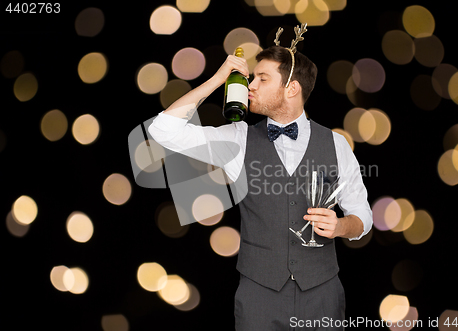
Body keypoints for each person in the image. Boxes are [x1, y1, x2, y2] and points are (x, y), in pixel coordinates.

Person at [148, 26, 372, 331]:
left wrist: (341, 226)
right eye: (252, 78)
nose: (250, 85)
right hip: (258, 297)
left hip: (323, 294)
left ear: (291, 88)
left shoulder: (336, 144)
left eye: (262, 79)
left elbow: (362, 216)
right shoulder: (237, 139)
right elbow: (163, 131)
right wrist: (217, 80)